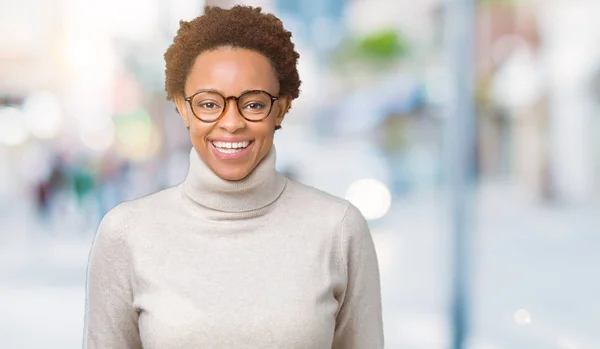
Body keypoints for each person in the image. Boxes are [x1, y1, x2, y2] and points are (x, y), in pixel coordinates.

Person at [83, 5, 383, 349]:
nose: (231, 122)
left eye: (253, 104)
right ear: (183, 107)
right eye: (209, 104)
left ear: (281, 108)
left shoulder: (340, 229)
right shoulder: (125, 234)